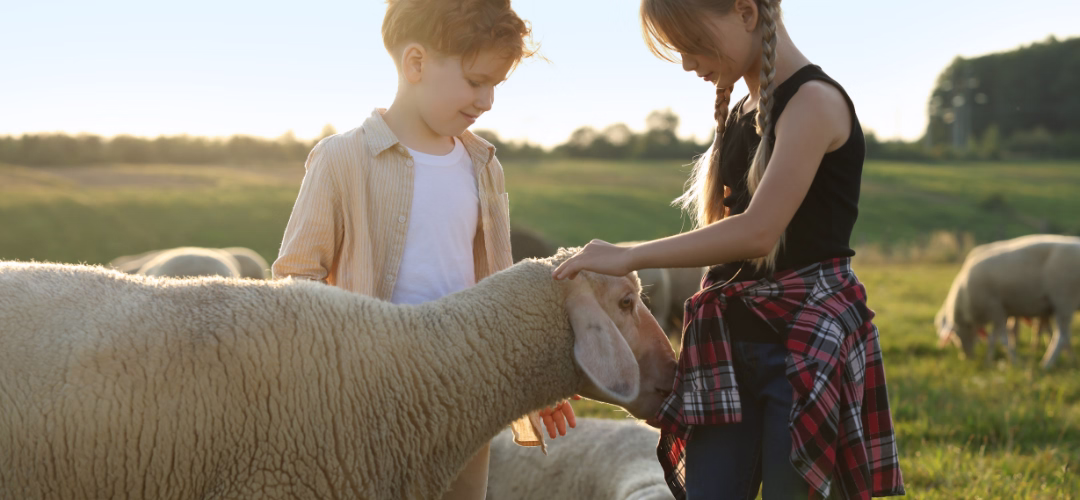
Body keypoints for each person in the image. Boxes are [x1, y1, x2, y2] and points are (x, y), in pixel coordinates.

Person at [552, 0, 905, 498]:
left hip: (803, 345)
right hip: (727, 343)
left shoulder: (814, 103)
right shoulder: (742, 112)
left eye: (693, 45)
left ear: (744, 12)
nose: (688, 63)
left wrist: (629, 255)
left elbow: (759, 232)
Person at [272, 1, 573, 498]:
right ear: (416, 64)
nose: (489, 99)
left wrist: (530, 381)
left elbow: (497, 284)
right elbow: (296, 280)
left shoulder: (484, 166)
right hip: (371, 399)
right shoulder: (341, 159)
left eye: (496, 84)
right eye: (477, 81)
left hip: (467, 393)